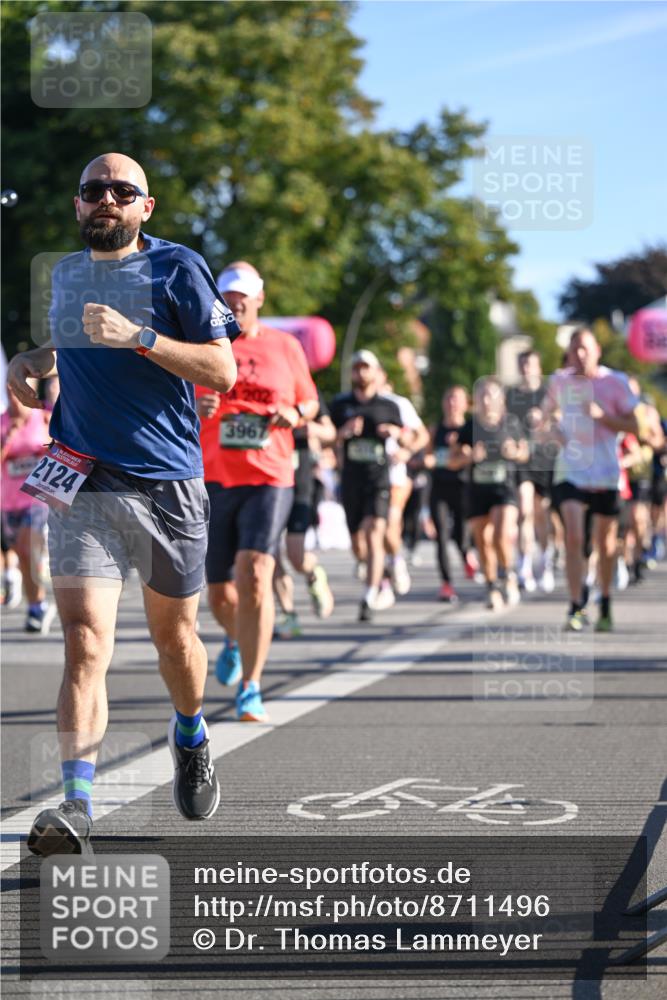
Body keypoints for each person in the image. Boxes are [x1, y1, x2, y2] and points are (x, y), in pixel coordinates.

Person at [8, 152, 238, 857]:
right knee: (84, 644)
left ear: (146, 206)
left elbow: (222, 371)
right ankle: (75, 804)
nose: (105, 199)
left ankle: (191, 731)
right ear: (78, 206)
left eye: (121, 190)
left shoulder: (178, 268)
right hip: (84, 481)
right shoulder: (67, 274)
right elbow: (77, 346)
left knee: (175, 643)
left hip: (168, 481)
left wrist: (140, 337)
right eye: (92, 190)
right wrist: (35, 361)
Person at [197, 262, 319, 721]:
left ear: (259, 299)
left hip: (269, 475)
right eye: (228, 295)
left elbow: (310, 400)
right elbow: (174, 411)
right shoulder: (203, 346)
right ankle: (234, 636)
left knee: (255, 574)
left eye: (243, 295)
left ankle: (251, 685)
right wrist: (197, 404)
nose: (236, 302)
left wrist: (295, 412)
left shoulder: (285, 347)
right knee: (221, 595)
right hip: (214, 478)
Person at [545, 328, 639, 632]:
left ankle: (606, 600)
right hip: (571, 470)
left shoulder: (616, 383)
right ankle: (575, 605)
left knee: (606, 543)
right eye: (575, 350)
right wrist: (551, 430)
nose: (580, 355)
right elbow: (544, 416)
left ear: (597, 350)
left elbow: (635, 425)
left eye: (585, 349)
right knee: (573, 537)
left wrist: (602, 417)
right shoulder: (560, 381)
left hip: (606, 472)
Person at [329, 350, 403, 622]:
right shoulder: (340, 405)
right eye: (357, 368)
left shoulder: (388, 406)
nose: (361, 373)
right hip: (350, 480)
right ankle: (379, 571)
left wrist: (395, 434)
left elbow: (406, 438)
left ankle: (369, 596)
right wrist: (343, 433)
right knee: (358, 543)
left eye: (366, 368)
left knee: (375, 533)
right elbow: (326, 439)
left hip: (378, 480)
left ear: (376, 372)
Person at [450, 376, 528, 610]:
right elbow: (452, 461)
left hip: (504, 488)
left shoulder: (511, 424)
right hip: (477, 490)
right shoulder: (469, 427)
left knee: (501, 533)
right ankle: (492, 585)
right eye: (482, 395)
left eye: (491, 395)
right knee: (483, 541)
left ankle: (508, 574)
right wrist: (469, 457)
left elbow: (524, 453)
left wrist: (513, 452)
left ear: (500, 400)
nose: (486, 400)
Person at [273, 388, 336, 639]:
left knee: (296, 555)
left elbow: (330, 432)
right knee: (269, 552)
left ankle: (313, 573)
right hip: (267, 478)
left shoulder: (304, 389)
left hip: (299, 479)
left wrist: (312, 429)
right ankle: (288, 613)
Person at [0, 384, 53, 631]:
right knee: (21, 555)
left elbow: (59, 450)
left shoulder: (42, 417)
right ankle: (36, 606)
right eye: (9, 393)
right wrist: (7, 441)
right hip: (9, 501)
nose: (13, 397)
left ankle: (37, 605)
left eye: (17, 391)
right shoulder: (2, 423)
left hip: (38, 497)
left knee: (27, 547)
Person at [505, 350, 556, 593]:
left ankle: (545, 564)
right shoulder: (512, 395)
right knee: (524, 510)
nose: (526, 368)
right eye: (522, 364)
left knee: (542, 515)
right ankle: (524, 566)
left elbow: (562, 419)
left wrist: (544, 418)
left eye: (530, 364)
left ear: (538, 366)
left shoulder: (548, 392)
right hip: (522, 460)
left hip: (545, 460)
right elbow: (504, 422)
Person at [376, 370, 430, 597]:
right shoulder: (354, 404)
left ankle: (395, 561)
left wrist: (405, 449)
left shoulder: (398, 404)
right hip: (368, 477)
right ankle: (384, 571)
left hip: (395, 476)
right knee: (369, 535)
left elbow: (421, 436)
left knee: (390, 523)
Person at [425, 385, 477, 603]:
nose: (452, 403)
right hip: (439, 487)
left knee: (459, 535)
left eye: (457, 399)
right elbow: (427, 455)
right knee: (441, 536)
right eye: (449, 398)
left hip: (463, 487)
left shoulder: (469, 429)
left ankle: (466, 554)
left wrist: (462, 456)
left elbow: (473, 456)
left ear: (465, 404)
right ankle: (446, 584)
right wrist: (426, 460)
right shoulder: (436, 430)